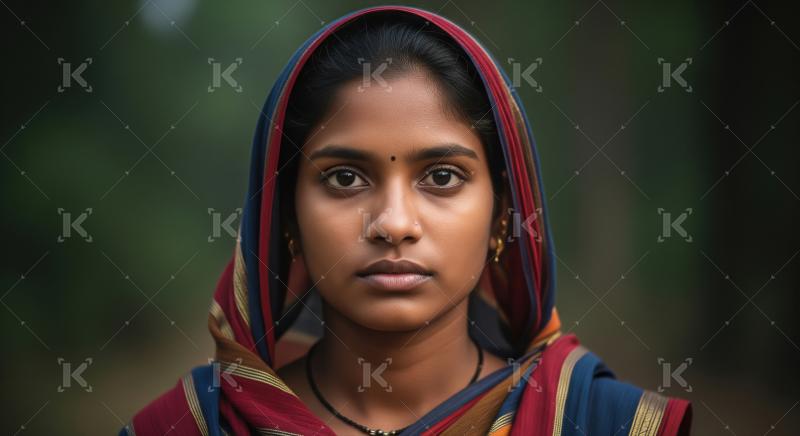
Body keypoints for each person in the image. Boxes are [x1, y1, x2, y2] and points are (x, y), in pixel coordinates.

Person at [121, 5, 692, 435]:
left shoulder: (603, 423)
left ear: (503, 216)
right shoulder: (196, 425)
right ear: (287, 215)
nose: (393, 224)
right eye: (345, 178)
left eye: (442, 177)